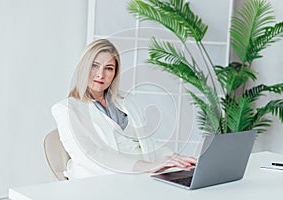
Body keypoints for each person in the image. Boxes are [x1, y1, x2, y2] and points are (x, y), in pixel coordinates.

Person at [51, 39, 196, 179]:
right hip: (104, 180)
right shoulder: (67, 109)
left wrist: (172, 157)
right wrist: (147, 167)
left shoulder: (127, 101)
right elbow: (89, 156)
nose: (101, 74)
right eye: (94, 65)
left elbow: (146, 143)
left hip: (143, 175)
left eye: (109, 68)